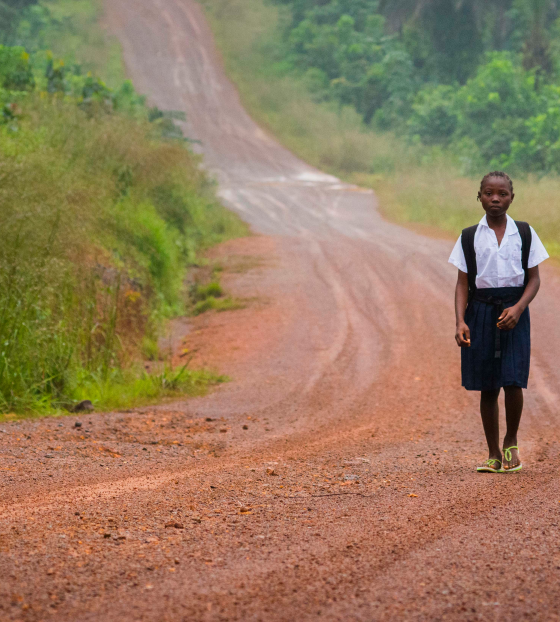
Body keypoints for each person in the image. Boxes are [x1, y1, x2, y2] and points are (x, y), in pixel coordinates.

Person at [449, 171, 549, 473]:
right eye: (489, 193)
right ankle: (492, 453)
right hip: (480, 312)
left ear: (511, 198)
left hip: (514, 312)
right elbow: (462, 284)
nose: (495, 199)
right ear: (479, 196)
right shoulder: (469, 236)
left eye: (502, 194)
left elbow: (534, 280)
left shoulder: (525, 233)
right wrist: (460, 321)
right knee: (488, 385)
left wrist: (518, 308)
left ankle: (511, 442)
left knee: (513, 379)